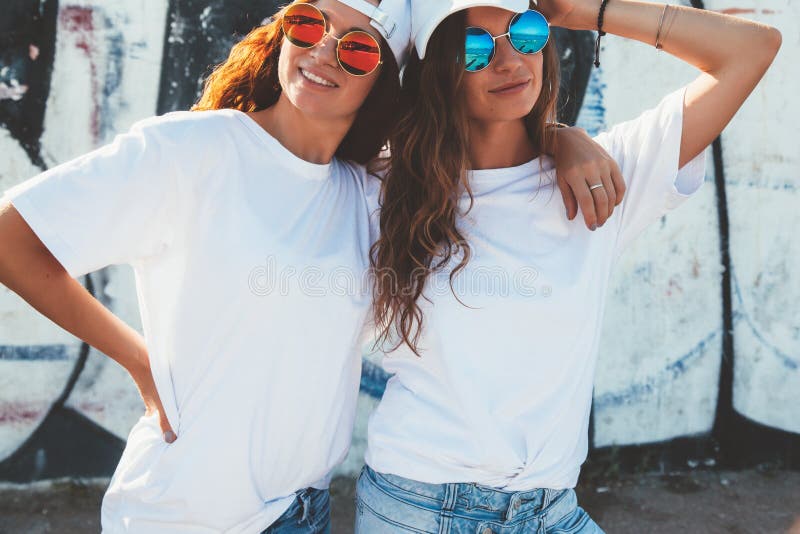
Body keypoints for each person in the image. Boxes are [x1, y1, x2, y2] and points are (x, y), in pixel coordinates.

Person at [0, 0, 619, 531]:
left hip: (301, 512)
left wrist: (560, 136)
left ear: (383, 80)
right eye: (308, 24)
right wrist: (137, 358)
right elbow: (13, 238)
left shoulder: (367, 191)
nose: (324, 52)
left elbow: (478, 149)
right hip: (181, 513)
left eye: (357, 50)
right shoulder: (193, 152)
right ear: (282, 34)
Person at [357, 0, 782, 532]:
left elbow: (752, 48)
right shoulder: (381, 191)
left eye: (526, 32)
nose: (510, 61)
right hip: (418, 506)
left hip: (550, 510)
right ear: (435, 70)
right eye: (473, 48)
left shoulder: (601, 179)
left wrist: (591, 12)